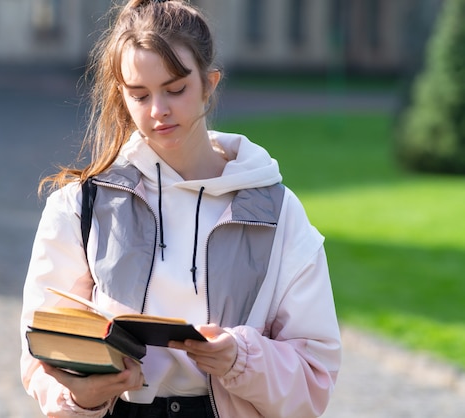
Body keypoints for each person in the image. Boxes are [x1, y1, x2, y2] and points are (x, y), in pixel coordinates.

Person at [20, 0, 341, 416]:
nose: (158, 111)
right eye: (139, 95)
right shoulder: (81, 205)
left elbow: (315, 376)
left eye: (175, 89)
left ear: (210, 83)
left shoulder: (276, 211)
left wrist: (240, 360)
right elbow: (41, 356)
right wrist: (82, 395)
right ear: (121, 94)